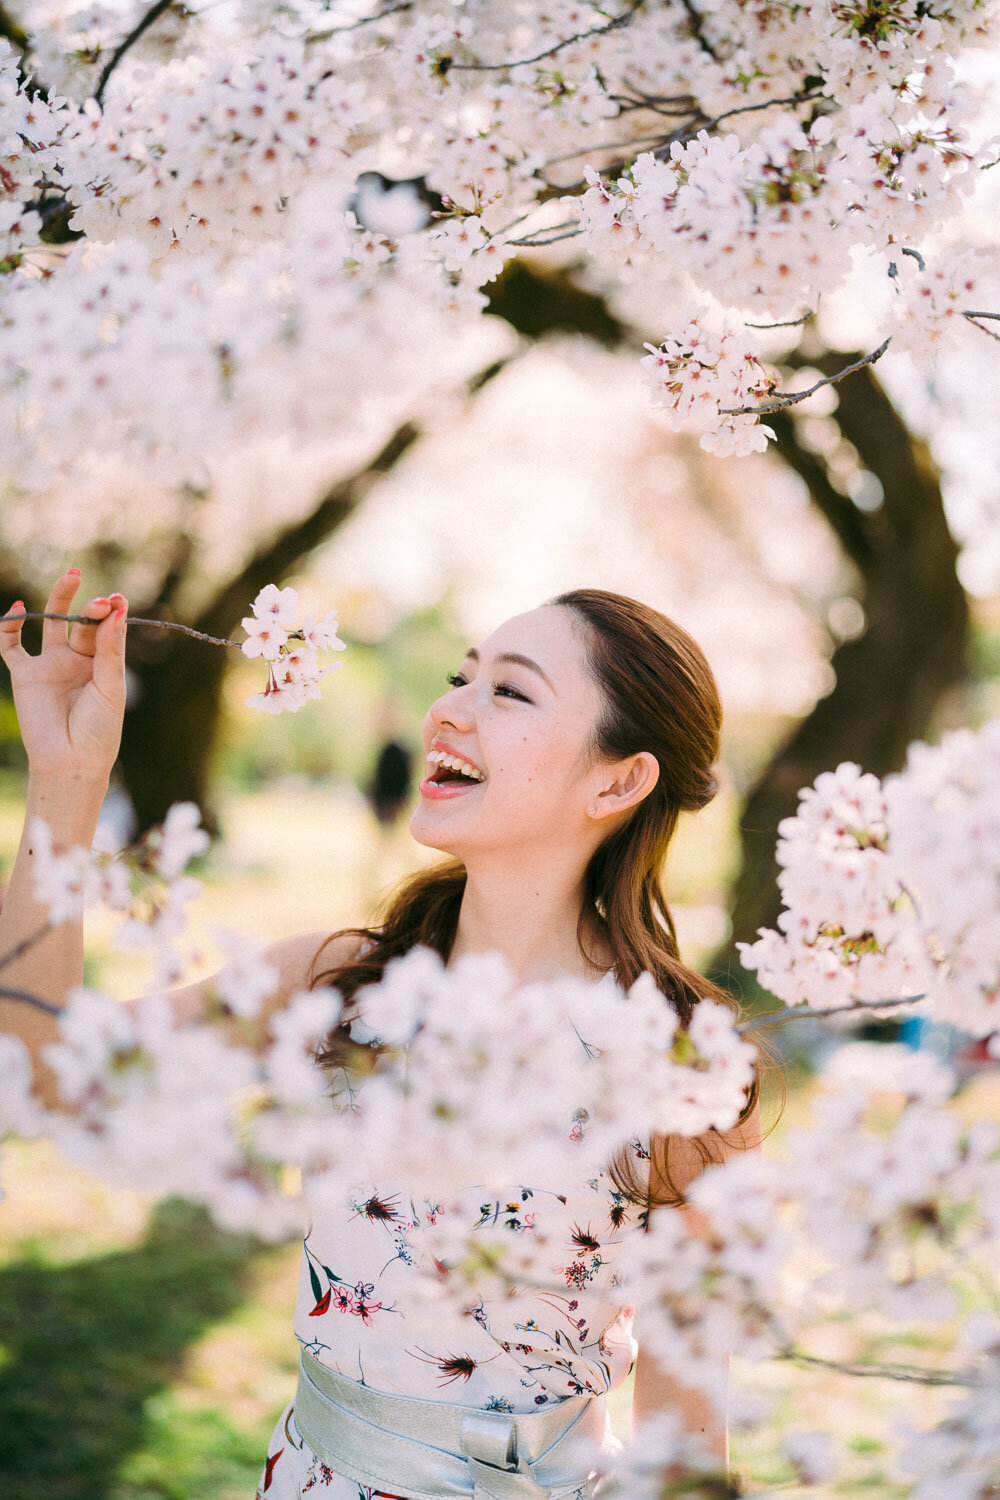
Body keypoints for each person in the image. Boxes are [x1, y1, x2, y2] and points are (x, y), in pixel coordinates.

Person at [0, 570, 762, 1498]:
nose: (451, 710)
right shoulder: (342, 985)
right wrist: (67, 780)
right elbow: (39, 1070)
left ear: (619, 779)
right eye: (461, 676)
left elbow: (687, 1437)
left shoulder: (684, 1065)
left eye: (510, 691)